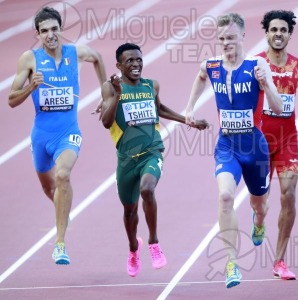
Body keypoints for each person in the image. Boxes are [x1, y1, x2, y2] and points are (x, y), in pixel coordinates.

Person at [185, 13, 282, 288]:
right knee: (226, 196)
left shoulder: (257, 64)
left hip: (255, 148)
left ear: (242, 37)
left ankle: (259, 222)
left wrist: (266, 84)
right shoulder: (212, 65)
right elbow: (201, 75)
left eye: (230, 38)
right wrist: (189, 108)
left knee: (259, 204)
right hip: (227, 145)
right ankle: (231, 263)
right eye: (221, 39)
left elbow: (276, 107)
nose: (226, 43)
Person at [8, 6, 107, 265]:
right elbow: (10, 100)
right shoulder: (29, 60)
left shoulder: (76, 53)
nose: (50, 35)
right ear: (37, 34)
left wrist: (105, 94)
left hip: (68, 132)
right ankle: (63, 210)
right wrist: (31, 86)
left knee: (63, 175)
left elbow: (97, 58)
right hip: (41, 136)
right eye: (44, 31)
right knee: (49, 187)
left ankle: (60, 244)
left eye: (54, 29)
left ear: (61, 30)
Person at [101, 43, 208, 278]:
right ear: (119, 65)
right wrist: (117, 95)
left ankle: (154, 242)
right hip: (126, 160)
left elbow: (160, 109)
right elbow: (106, 122)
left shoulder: (151, 85)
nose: (136, 64)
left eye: (138, 59)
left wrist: (188, 121)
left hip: (152, 151)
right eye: (129, 61)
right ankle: (133, 248)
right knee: (130, 211)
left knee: (148, 189)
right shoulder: (110, 87)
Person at [257, 10, 298, 280]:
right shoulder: (254, 64)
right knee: (260, 200)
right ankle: (258, 219)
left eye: (283, 30)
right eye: (274, 30)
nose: (278, 34)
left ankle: (279, 261)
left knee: (289, 193)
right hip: (258, 141)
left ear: (289, 34)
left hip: (287, 141)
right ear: (267, 33)